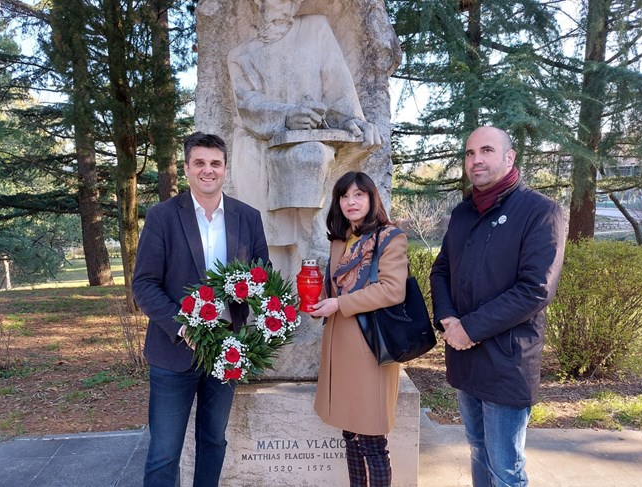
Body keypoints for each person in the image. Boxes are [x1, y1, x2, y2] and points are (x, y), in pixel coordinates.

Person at [430, 126, 565, 487]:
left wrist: (468, 328)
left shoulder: (541, 212)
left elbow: (535, 289)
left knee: (505, 468)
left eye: (486, 151)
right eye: (470, 153)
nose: (476, 160)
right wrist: (447, 319)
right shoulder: (463, 214)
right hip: (464, 358)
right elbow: (441, 268)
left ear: (509, 157)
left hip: (508, 361)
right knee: (477, 450)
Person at [132, 132, 269, 487]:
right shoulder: (163, 216)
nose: (208, 170)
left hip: (227, 352)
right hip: (173, 351)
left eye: (215, 163)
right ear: (187, 168)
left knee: (213, 441)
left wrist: (269, 315)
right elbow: (144, 284)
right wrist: (182, 326)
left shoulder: (247, 217)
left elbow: (260, 276)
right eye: (200, 163)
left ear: (225, 169)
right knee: (164, 452)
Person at [227, 0, 381, 273]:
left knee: (312, 160)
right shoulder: (241, 55)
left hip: (309, 152)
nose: (273, 7)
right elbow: (247, 106)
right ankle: (269, 309)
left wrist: (354, 122)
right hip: (259, 150)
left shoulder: (316, 29)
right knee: (266, 243)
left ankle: (316, 273)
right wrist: (287, 115)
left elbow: (339, 92)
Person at [310, 171, 408, 487]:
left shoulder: (390, 237)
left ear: (371, 198)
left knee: (372, 441)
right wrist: (319, 300)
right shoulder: (340, 239)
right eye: (344, 196)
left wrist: (339, 305)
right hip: (340, 347)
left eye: (358, 195)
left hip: (371, 348)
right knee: (349, 433)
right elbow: (337, 289)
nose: (351, 202)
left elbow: (393, 290)